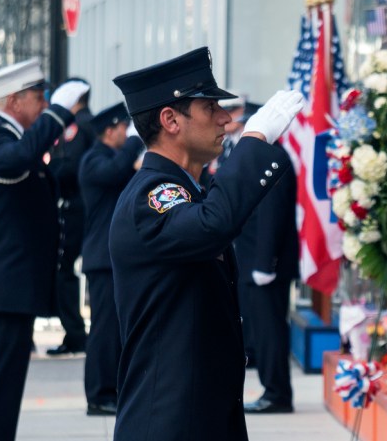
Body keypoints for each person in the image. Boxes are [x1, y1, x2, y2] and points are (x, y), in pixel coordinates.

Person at [109, 47, 304, 441]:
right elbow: (213, 225)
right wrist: (254, 141)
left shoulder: (185, 190)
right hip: (168, 420)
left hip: (200, 415)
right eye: (209, 107)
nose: (225, 117)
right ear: (170, 120)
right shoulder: (152, 196)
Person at [0, 60, 87, 441]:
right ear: (15, 101)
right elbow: (19, 160)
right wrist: (61, 113)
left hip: (9, 291)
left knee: (2, 394)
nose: (44, 105)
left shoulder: (9, 137)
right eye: (39, 98)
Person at [78, 102, 144, 416]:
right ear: (110, 130)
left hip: (113, 258)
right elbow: (117, 170)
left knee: (116, 329)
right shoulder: (93, 160)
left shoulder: (112, 159)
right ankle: (99, 394)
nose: (126, 135)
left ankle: (112, 390)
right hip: (101, 259)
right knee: (103, 330)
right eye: (122, 129)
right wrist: (135, 140)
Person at [235, 102, 299, 414]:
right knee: (261, 332)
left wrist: (265, 264)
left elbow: (271, 217)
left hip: (265, 266)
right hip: (253, 263)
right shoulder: (263, 158)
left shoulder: (273, 159)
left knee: (270, 332)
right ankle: (271, 389)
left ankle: (277, 394)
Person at [47, 77, 93, 356]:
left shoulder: (82, 126)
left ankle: (76, 333)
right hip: (78, 206)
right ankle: (75, 332)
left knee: (65, 269)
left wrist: (49, 171)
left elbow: (72, 167)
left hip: (77, 207)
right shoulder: (85, 125)